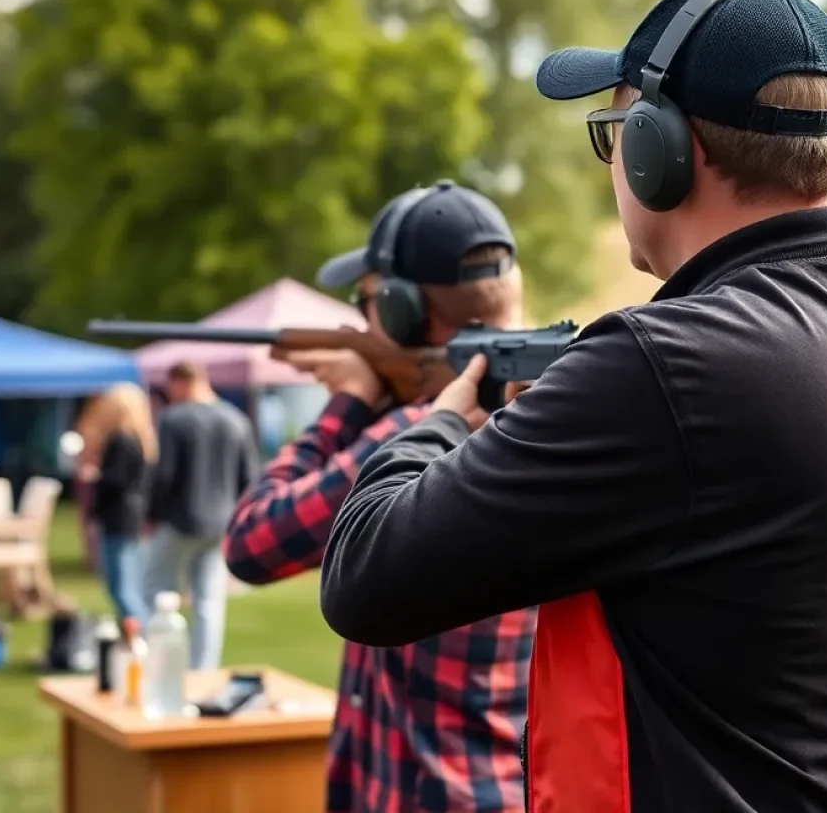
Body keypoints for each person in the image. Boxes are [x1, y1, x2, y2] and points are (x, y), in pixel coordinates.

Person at [319, 0, 827, 812]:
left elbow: (365, 576)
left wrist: (439, 420)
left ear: (656, 147)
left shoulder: (658, 363)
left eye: (613, 130)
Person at [224, 181, 536, 813]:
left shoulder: (414, 438)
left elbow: (251, 543)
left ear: (400, 311)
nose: (360, 319)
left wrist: (347, 402)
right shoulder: (548, 414)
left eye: (366, 301)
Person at [143, 361, 260, 670]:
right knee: (209, 601)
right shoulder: (236, 419)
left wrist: (151, 513)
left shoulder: (174, 418)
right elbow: (249, 478)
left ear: (179, 382)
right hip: (221, 523)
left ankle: (158, 665)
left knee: (154, 592)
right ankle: (202, 669)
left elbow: (165, 474)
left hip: (179, 520)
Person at [74, 383, 156, 624]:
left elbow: (117, 480)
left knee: (121, 588)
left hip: (118, 518)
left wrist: (94, 474)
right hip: (132, 517)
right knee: (131, 584)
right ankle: (139, 638)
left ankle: (142, 638)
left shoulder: (121, 440)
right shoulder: (141, 439)